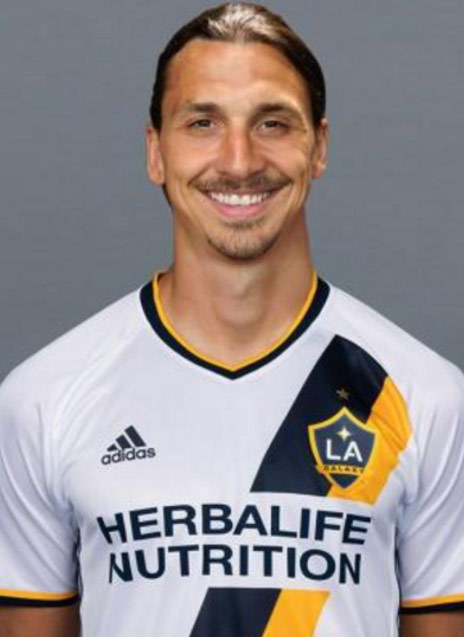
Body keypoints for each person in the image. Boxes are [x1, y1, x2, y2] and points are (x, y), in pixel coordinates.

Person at [0, 3, 463, 636]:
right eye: (202, 123)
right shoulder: (43, 399)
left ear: (319, 147)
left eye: (273, 123)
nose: (239, 161)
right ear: (155, 151)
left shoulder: (422, 396)